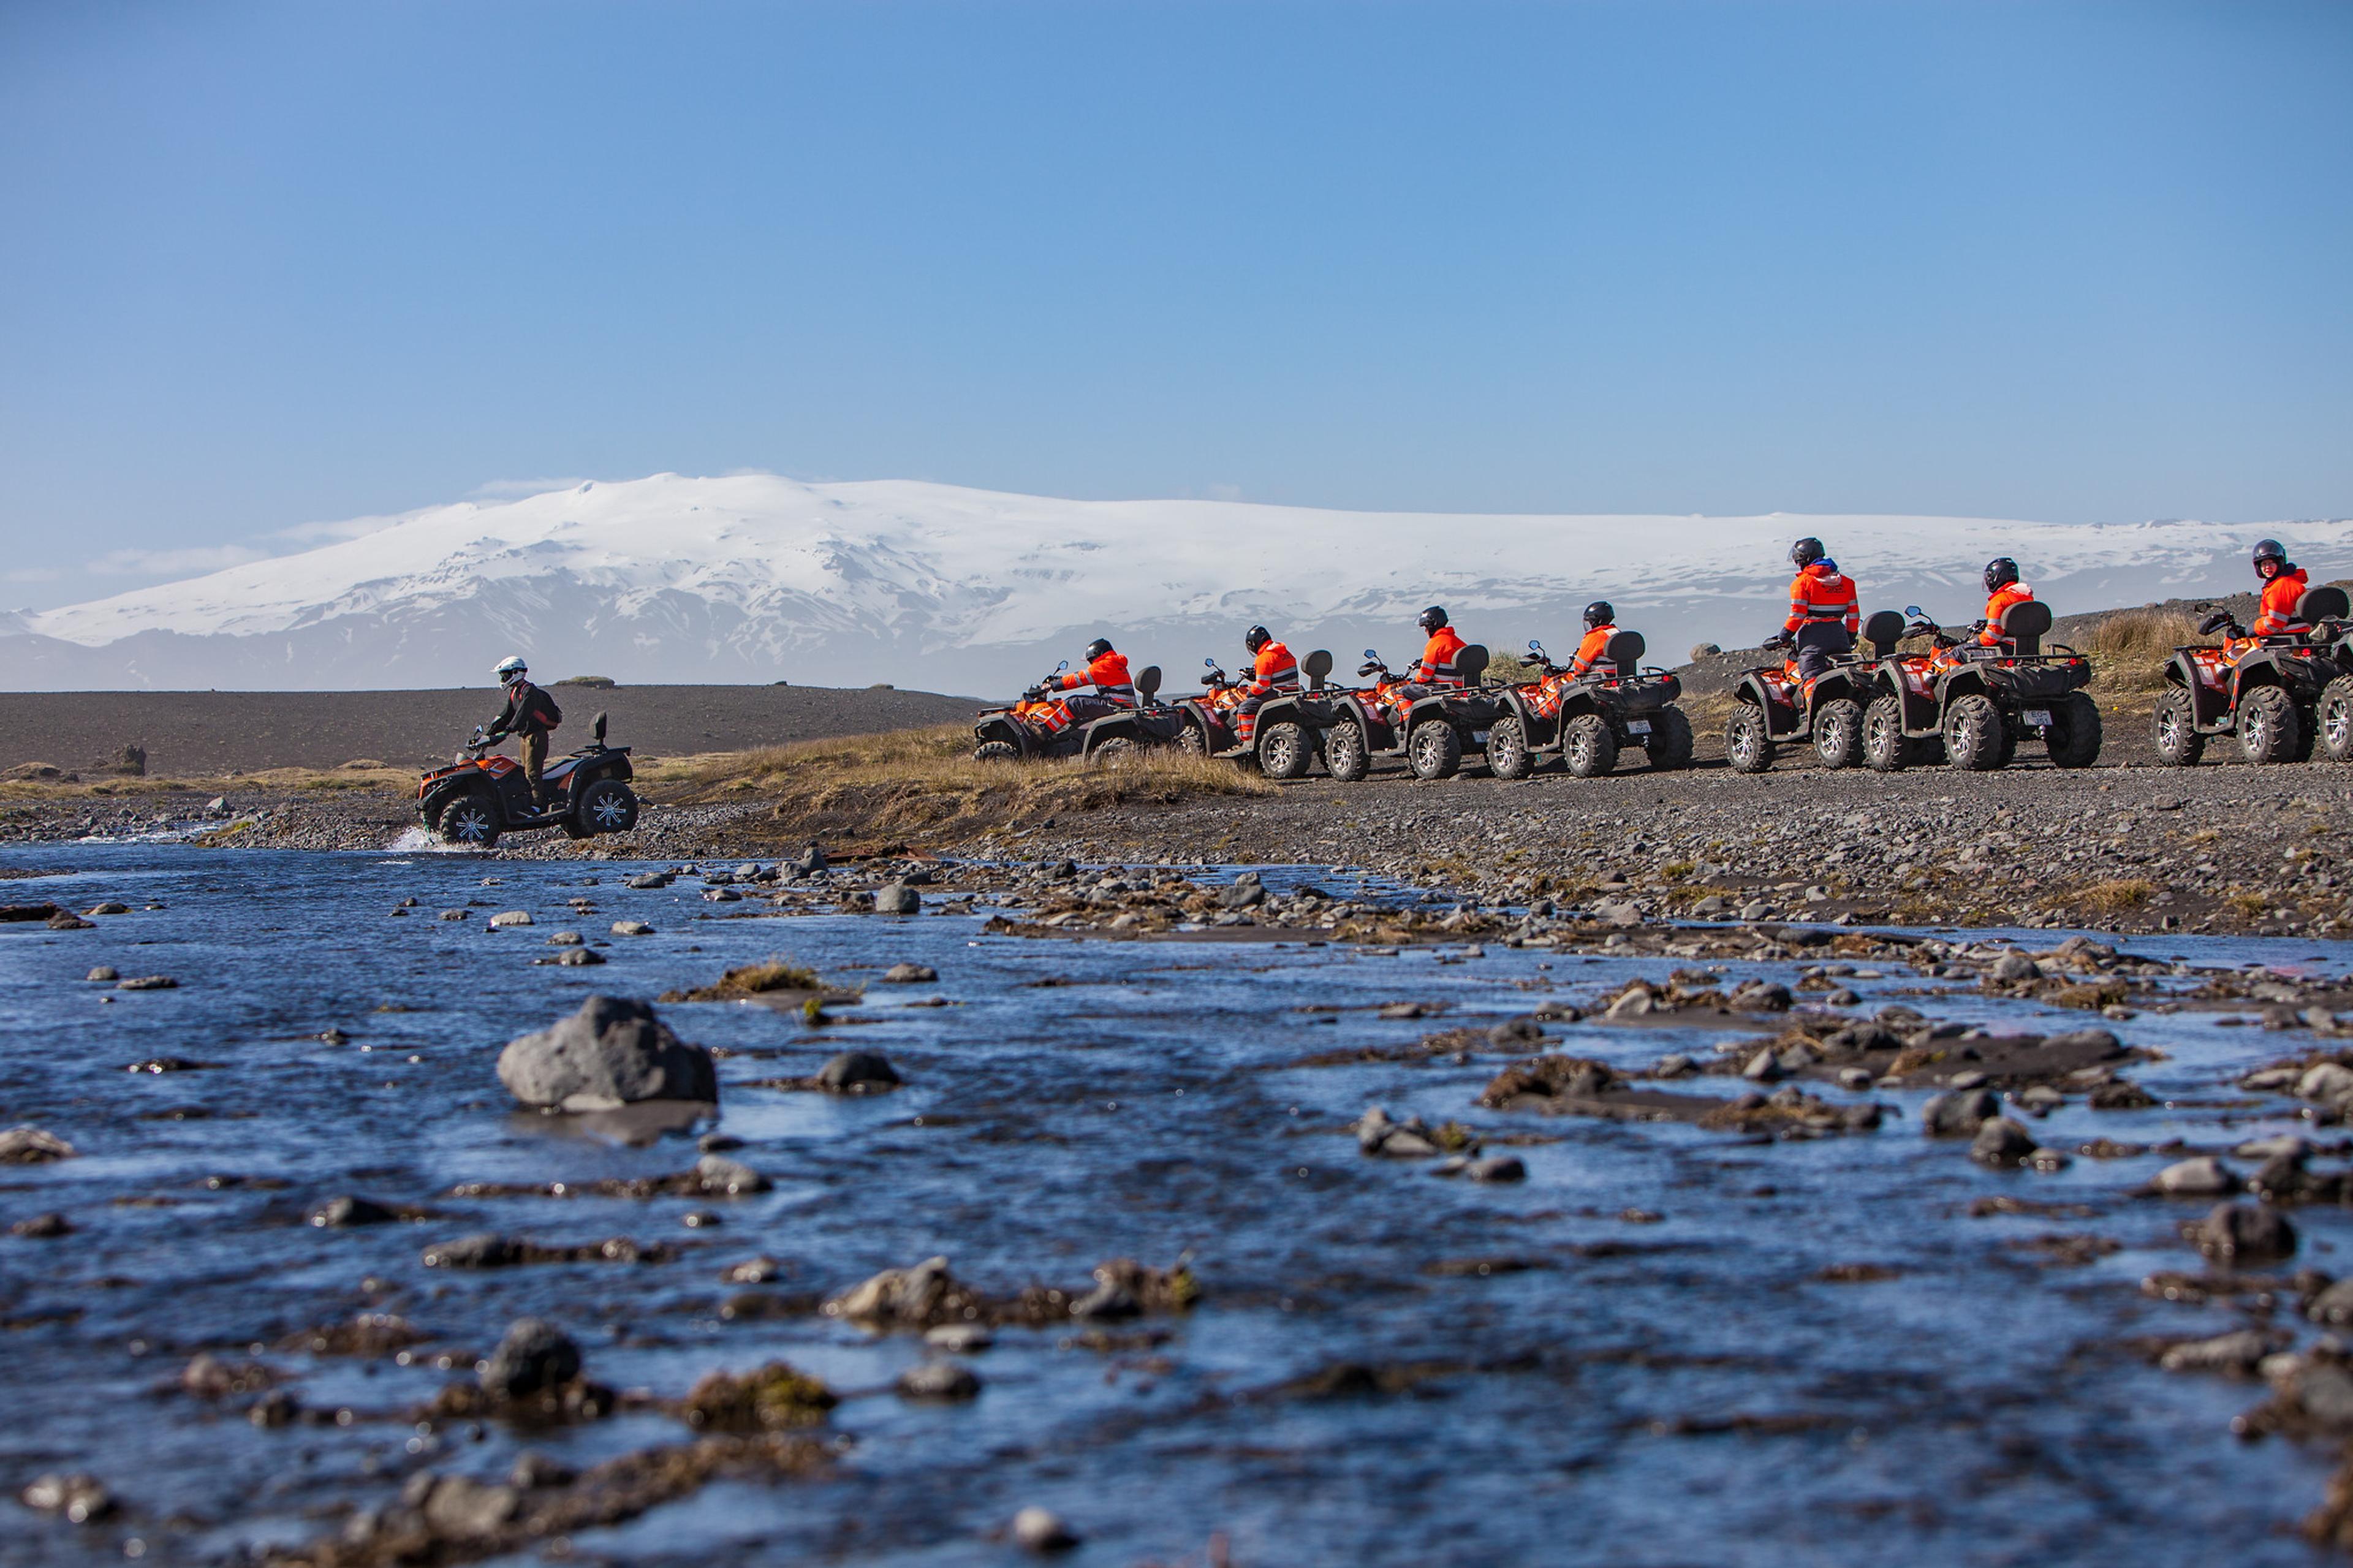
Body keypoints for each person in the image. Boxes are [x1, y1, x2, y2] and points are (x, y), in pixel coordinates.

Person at [1775, 537, 1859, 681]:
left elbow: (1797, 616)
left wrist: (1783, 637)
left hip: (1813, 637)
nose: (1797, 563)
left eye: (1798, 559)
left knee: (1810, 677)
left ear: (1805, 558)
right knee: (1848, 677)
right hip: (1839, 635)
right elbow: (1854, 616)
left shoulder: (1802, 583)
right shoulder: (1847, 583)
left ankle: (1810, 702)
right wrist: (1850, 637)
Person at [483, 655, 563, 805]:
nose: (503, 678)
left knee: (532, 773)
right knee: (525, 771)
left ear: (516, 673)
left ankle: (538, 805)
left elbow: (523, 713)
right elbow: (505, 715)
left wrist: (508, 730)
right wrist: (488, 735)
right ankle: (528, 801)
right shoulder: (515, 692)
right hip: (525, 736)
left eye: (505, 675)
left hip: (536, 736)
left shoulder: (529, 691)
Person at [1233, 625, 1300, 746]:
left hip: (1276, 693)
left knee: (1245, 707)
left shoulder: (1264, 658)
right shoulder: (1285, 652)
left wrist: (1249, 692)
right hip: (1291, 690)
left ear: (1253, 644)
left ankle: (1247, 742)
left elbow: (1261, 687)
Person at [1050, 637, 1135, 724]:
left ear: (1098, 654)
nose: (1092, 663)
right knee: (1091, 699)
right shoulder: (1115, 663)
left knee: (1073, 703)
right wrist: (1060, 680)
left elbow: (1079, 678)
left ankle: (1042, 731)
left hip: (1114, 706)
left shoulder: (1104, 665)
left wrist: (1052, 685)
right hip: (1123, 705)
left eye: (1092, 659)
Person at [2249, 539, 2311, 637]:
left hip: (2290, 634)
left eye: (2271, 563)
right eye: (2264, 564)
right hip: (2295, 631)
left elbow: (2276, 622)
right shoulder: (2281, 583)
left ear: (2280, 563)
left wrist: (2253, 629)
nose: (2267, 567)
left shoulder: (2282, 585)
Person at [1974, 558, 2036, 648]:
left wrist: (1976, 641)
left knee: (1956, 654)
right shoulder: (2027, 599)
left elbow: (1993, 635)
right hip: (2028, 649)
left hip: (2003, 651)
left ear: (1995, 577)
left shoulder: (1999, 601)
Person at [1566, 601, 1618, 677]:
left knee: (1563, 689)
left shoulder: (1595, 636)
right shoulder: (1616, 633)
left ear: (1596, 621)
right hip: (1620, 677)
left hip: (1599, 678)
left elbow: (1580, 667)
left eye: (1590, 621)